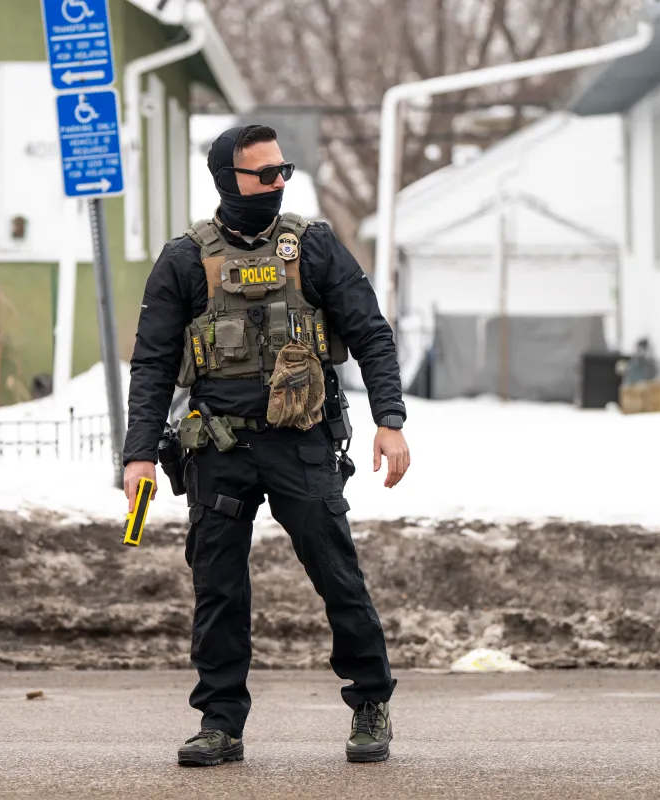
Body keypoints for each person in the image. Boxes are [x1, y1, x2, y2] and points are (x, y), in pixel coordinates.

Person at [122, 124, 411, 767]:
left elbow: (371, 333)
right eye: (265, 174)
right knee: (218, 588)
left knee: (338, 575)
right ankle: (220, 723)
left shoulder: (313, 247)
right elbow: (153, 363)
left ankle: (370, 701)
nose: (279, 183)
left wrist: (389, 419)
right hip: (218, 448)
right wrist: (139, 454)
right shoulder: (185, 259)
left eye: (284, 172)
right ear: (228, 180)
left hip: (301, 444)